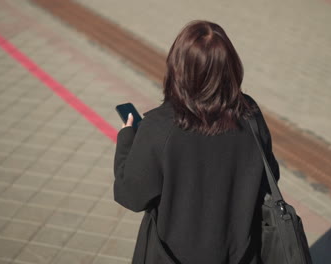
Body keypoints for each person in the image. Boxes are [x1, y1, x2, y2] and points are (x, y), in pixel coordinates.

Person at [114, 20, 280, 264]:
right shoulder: (250, 114)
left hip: (173, 256)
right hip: (240, 254)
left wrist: (127, 139)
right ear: (231, 67)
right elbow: (270, 178)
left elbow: (131, 195)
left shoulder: (160, 126)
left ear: (177, 67)